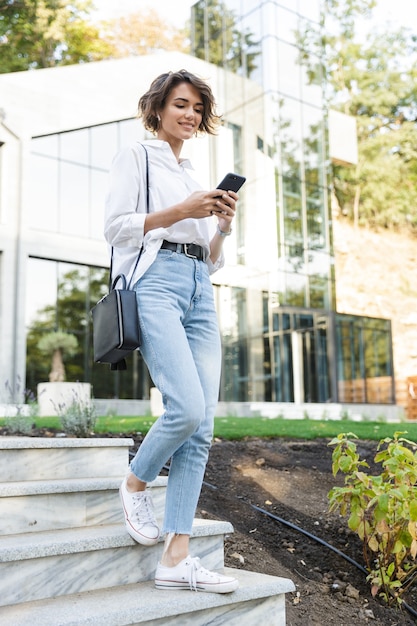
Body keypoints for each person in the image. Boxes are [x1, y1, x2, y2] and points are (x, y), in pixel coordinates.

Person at [104, 69, 240, 593]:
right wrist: (181, 211)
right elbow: (116, 226)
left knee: (202, 426)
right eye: (181, 104)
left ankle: (176, 560)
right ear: (158, 107)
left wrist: (222, 225)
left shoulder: (190, 172)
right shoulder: (136, 156)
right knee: (184, 406)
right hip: (156, 286)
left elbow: (209, 260)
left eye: (198, 109)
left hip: (199, 288)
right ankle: (136, 479)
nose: (190, 115)